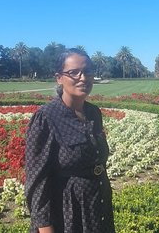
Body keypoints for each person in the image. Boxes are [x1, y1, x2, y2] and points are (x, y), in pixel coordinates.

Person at [25, 48, 115, 233]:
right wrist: (44, 227)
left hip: (97, 209)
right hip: (67, 215)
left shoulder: (93, 113)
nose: (83, 78)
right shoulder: (46, 118)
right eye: (74, 72)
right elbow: (37, 181)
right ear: (59, 78)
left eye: (88, 71)